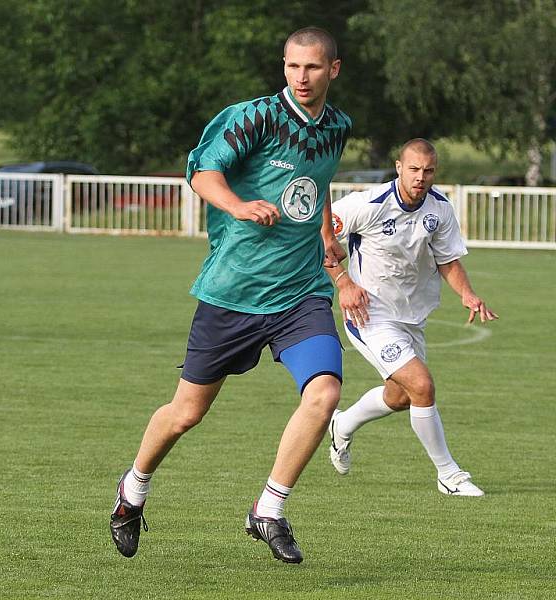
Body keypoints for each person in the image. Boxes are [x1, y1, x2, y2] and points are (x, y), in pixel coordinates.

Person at [110, 26, 358, 564]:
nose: (302, 77)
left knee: (325, 394)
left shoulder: (337, 127)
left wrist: (331, 250)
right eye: (293, 66)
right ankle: (132, 489)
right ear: (284, 67)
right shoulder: (256, 117)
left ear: (332, 70)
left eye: (313, 67)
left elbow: (316, 188)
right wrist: (239, 206)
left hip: (299, 294)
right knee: (186, 413)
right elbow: (203, 173)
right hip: (234, 293)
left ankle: (268, 509)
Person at [326, 138, 498, 496]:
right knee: (422, 385)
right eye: (414, 169)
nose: (421, 177)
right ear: (399, 166)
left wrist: (467, 293)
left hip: (412, 317)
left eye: (429, 170)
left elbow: (447, 259)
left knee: (402, 396)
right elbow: (319, 236)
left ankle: (342, 425)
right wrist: (343, 283)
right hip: (368, 314)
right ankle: (449, 475)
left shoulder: (440, 210)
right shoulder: (366, 204)